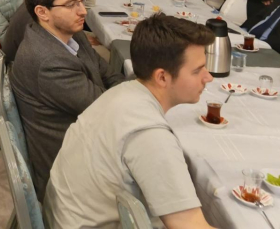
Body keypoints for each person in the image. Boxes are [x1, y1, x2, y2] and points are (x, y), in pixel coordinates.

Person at [47, 15, 216, 229]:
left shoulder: (122, 92)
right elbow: (189, 225)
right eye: (197, 70)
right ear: (162, 77)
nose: (208, 77)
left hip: (64, 218)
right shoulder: (150, 135)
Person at [11, 0, 124, 200]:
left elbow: (108, 73)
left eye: (81, 1)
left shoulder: (69, 32)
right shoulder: (48, 62)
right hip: (70, 173)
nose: (83, 11)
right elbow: (108, 111)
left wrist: (118, 91)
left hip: (84, 143)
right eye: (71, 4)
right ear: (42, 12)